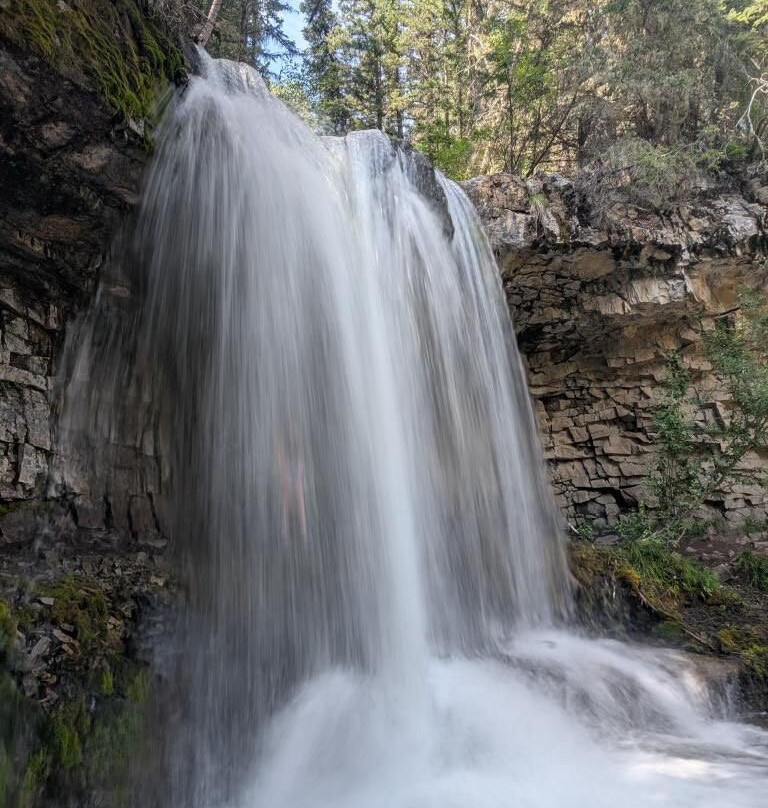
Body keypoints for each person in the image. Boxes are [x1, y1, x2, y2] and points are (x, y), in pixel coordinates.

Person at [276, 428, 307, 540]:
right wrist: (286, 480)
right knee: (287, 499)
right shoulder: (284, 452)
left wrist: (300, 481)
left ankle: (302, 531)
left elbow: (301, 467)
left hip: (295, 477)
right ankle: (285, 529)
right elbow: (281, 467)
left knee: (299, 499)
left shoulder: (298, 454)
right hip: (288, 478)